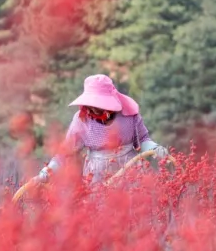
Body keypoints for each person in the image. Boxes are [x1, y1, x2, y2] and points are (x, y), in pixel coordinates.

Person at [33, 74, 170, 186]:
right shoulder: (82, 120)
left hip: (130, 172)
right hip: (97, 176)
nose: (93, 108)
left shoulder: (128, 115)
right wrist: (48, 171)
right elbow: (65, 153)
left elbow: (144, 139)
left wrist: (155, 148)